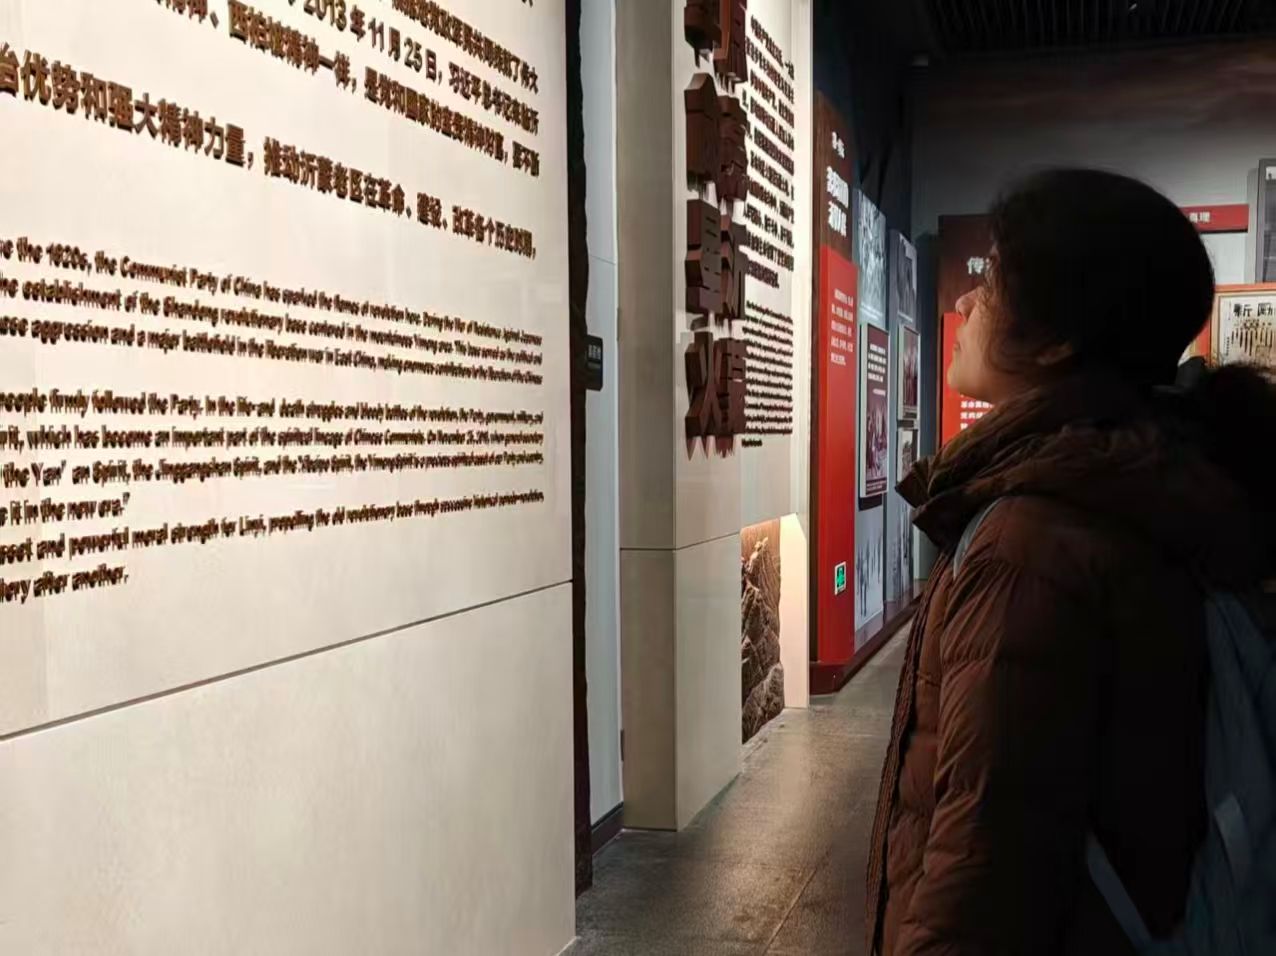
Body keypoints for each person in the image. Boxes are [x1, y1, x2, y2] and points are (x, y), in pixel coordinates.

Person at [865, 168, 1276, 956]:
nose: (964, 303)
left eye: (990, 283)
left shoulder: (1030, 544)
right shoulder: (1130, 487)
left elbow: (985, 875)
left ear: (1058, 340)